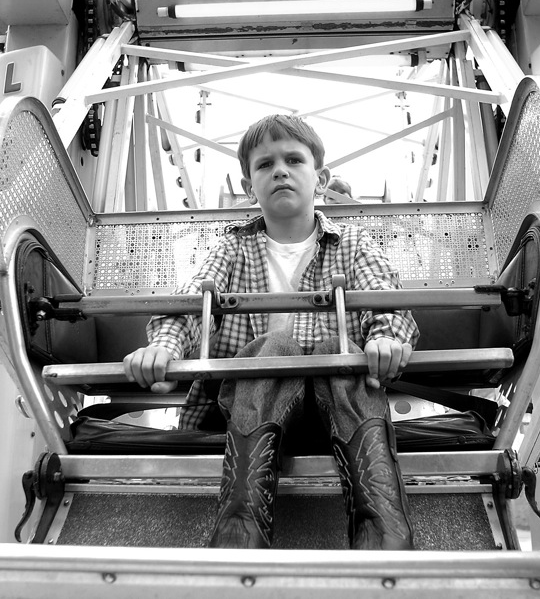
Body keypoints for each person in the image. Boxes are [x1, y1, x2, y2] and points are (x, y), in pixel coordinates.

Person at [123, 114, 420, 551]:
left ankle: (382, 527)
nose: (279, 169)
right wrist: (163, 348)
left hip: (337, 416)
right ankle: (242, 526)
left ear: (320, 179)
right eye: (264, 165)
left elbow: (384, 296)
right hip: (252, 416)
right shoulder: (232, 248)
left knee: (334, 350)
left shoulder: (353, 245)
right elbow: (192, 302)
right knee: (276, 346)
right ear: (250, 187)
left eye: (293, 159)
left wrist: (385, 338)